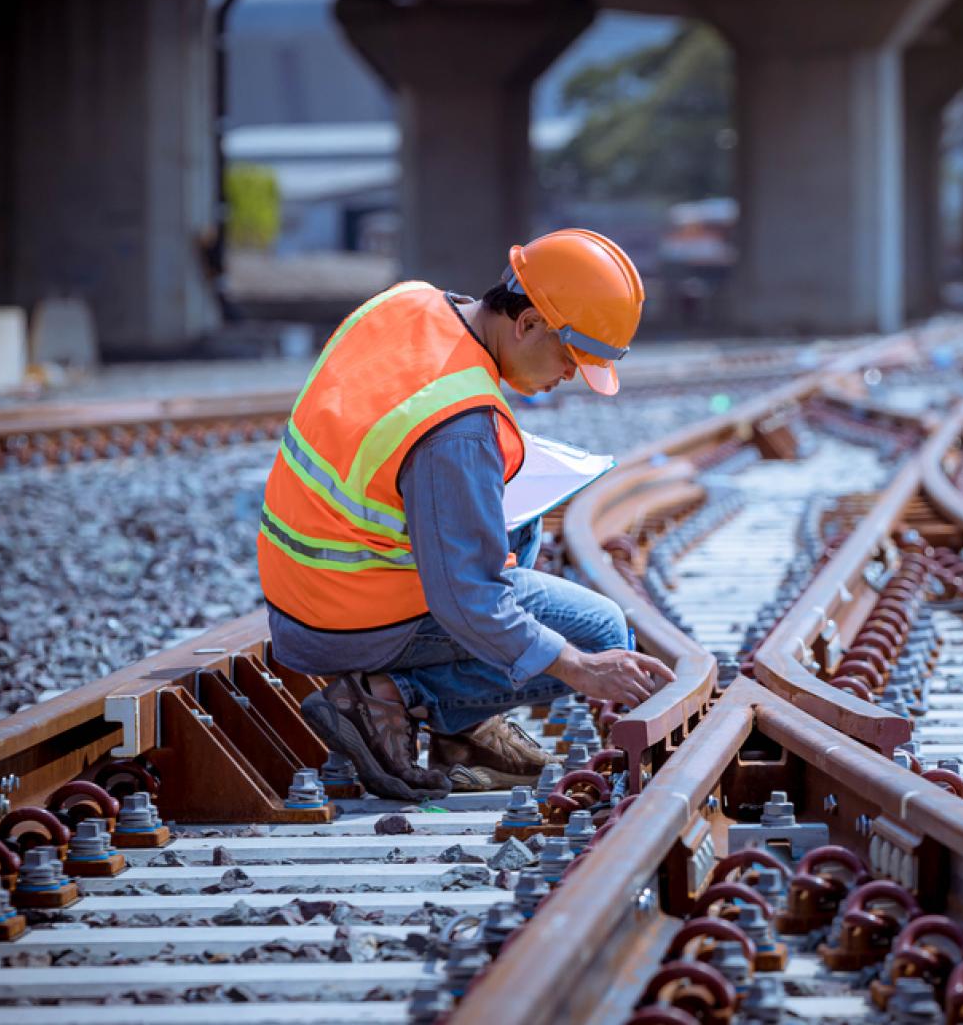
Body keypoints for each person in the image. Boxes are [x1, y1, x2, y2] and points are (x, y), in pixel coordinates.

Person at [258, 229, 676, 801]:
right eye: (570, 357)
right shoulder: (458, 428)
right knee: (600, 631)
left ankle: (461, 732)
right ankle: (388, 697)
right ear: (527, 323)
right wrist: (578, 666)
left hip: (305, 586)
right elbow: (467, 600)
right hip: (347, 617)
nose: (571, 376)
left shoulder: (408, 301)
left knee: (517, 511)